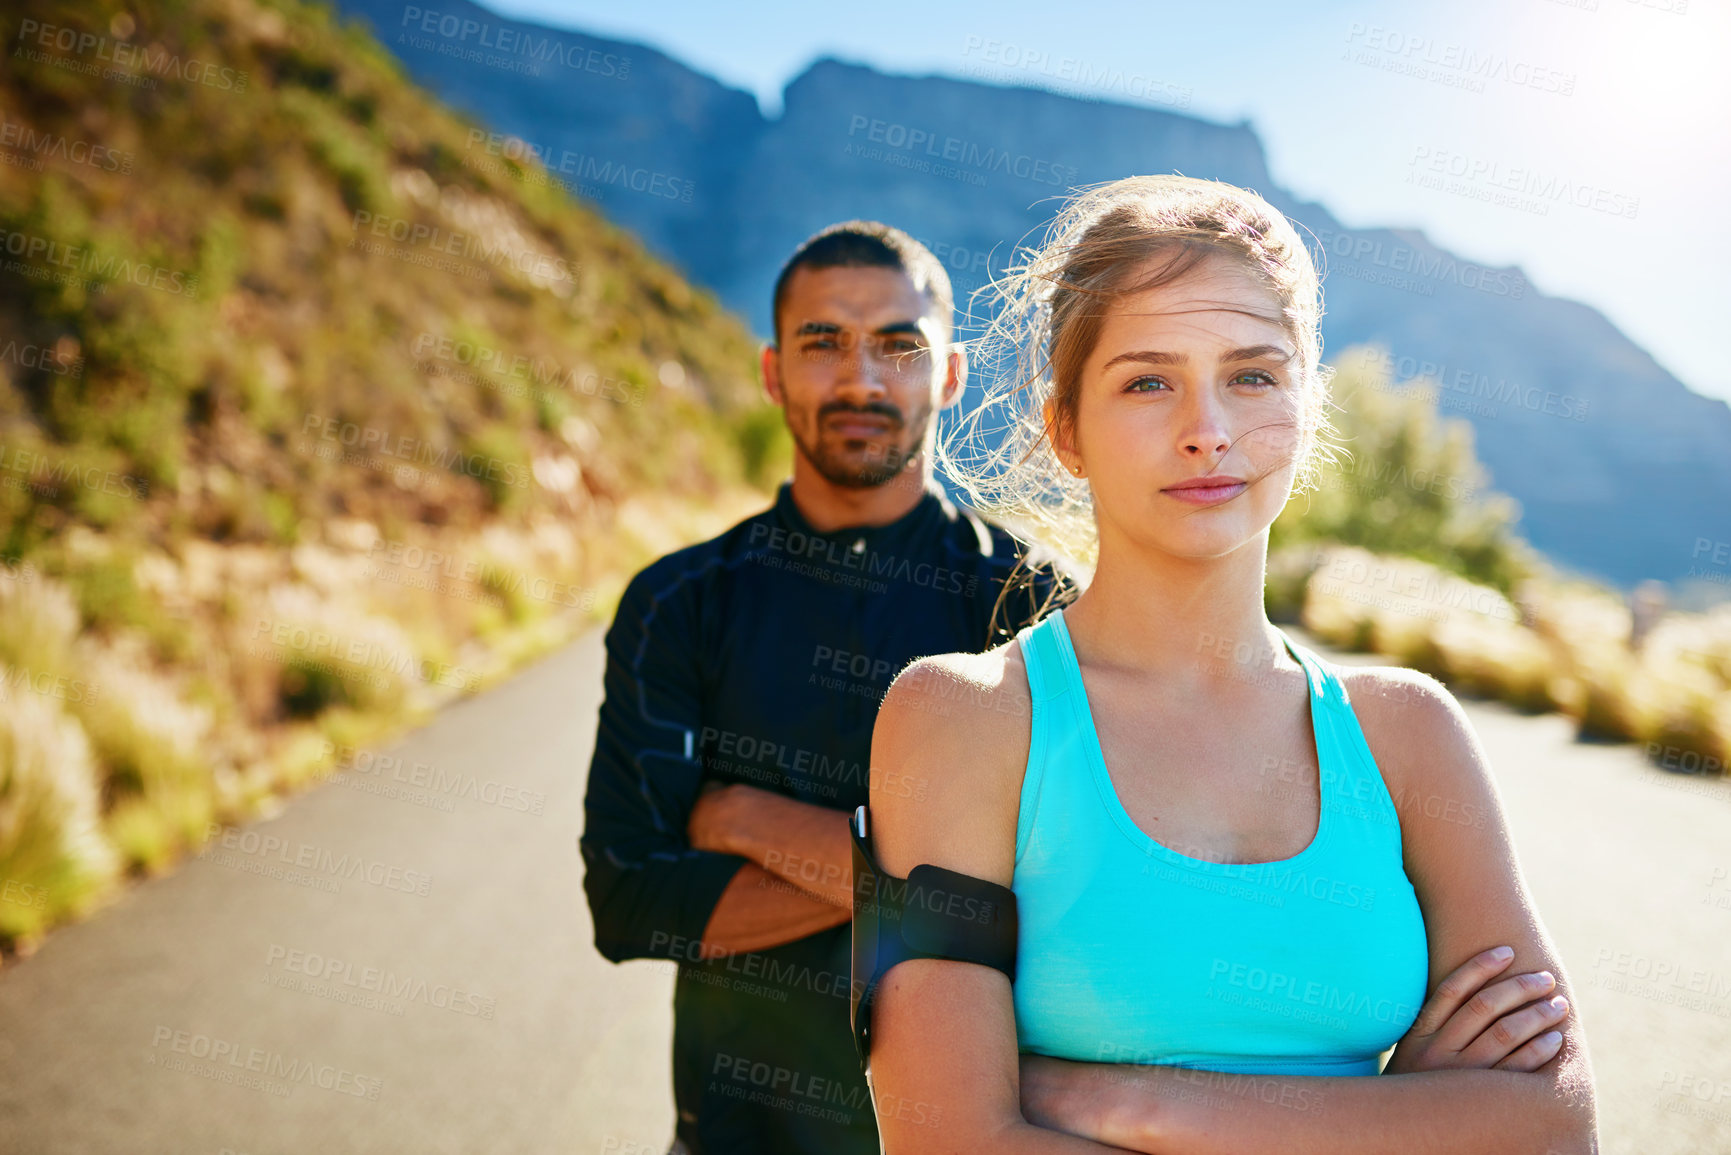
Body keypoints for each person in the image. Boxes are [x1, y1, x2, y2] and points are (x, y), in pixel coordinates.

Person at [863, 176, 1599, 1152]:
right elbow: (949, 1142)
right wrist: (1402, 1121)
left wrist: (1136, 1106)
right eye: (1147, 380)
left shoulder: (1406, 732)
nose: (1208, 428)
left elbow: (1553, 1124)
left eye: (1253, 375)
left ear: (1306, 403)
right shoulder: (963, 720)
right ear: (1067, 429)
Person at [580, 220, 1063, 1155]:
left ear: (949, 375)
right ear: (772, 373)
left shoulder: (1033, 605)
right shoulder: (678, 603)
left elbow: (1055, 906)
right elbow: (629, 900)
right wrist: (936, 886)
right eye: (823, 343)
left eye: (898, 345)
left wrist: (742, 819)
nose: (861, 381)